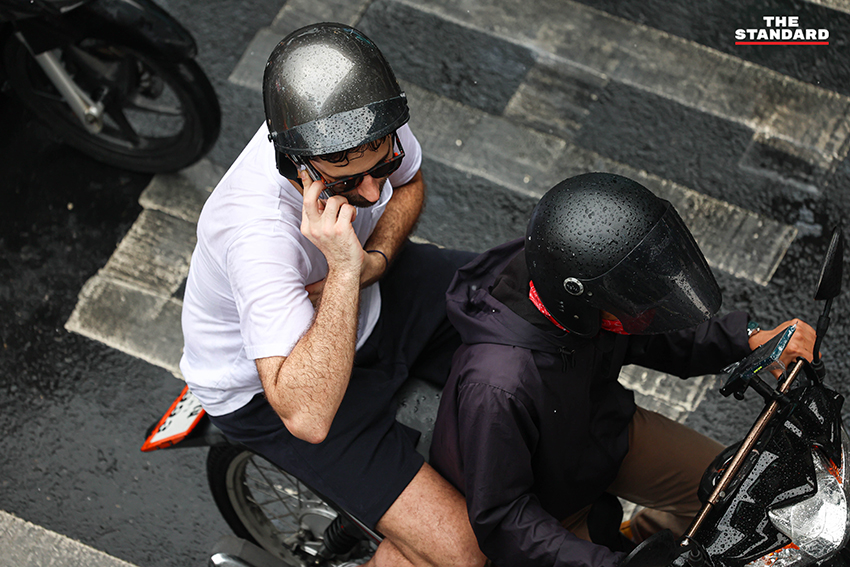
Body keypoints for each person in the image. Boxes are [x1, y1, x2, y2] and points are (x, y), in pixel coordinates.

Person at [179, 23, 485, 567]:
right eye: (347, 183)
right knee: (464, 553)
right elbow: (307, 415)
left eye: (379, 167)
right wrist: (346, 269)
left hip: (369, 288)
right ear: (294, 163)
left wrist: (375, 262)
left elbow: (408, 182)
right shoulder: (256, 234)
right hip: (276, 385)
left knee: (517, 303)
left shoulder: (365, 130)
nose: (373, 192)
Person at [429, 172, 816, 567]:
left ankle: (646, 541)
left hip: (604, 432)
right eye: (632, 297)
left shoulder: (573, 282)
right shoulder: (498, 386)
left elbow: (652, 331)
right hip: (547, 506)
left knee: (742, 491)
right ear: (580, 301)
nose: (644, 306)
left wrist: (747, 339)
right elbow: (505, 517)